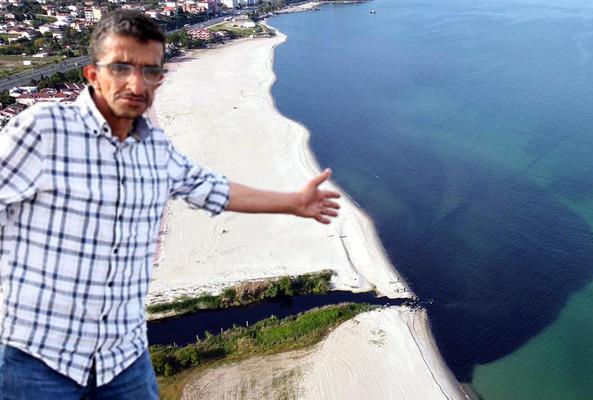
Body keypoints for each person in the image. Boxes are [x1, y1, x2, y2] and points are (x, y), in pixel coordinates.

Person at [0, 10, 340, 399]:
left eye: (150, 71)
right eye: (122, 68)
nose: (136, 83)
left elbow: (214, 189)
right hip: (40, 356)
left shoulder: (152, 147)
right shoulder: (43, 129)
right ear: (93, 74)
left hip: (124, 357)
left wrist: (293, 202)